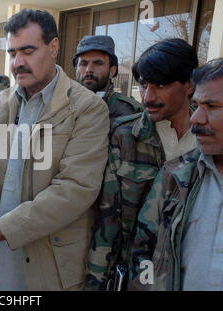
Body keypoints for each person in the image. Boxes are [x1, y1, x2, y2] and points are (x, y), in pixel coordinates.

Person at [0, 9, 110, 291]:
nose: (17, 62)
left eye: (28, 51)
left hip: (50, 263)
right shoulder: (0, 104)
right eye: (12, 53)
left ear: (53, 47)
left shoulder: (86, 108)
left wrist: (1, 232)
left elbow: (75, 188)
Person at [85, 38, 198, 291]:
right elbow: (107, 222)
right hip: (138, 277)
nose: (148, 96)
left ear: (188, 84)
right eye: (144, 85)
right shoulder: (126, 137)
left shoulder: (208, 141)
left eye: (159, 85)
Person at [129, 58, 223, 291]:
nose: (195, 119)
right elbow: (143, 254)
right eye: (197, 105)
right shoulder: (175, 176)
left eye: (211, 107)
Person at [73, 35, 141, 127]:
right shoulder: (61, 106)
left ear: (112, 71)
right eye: (83, 63)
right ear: (75, 69)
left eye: (98, 63)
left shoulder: (130, 112)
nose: (89, 69)